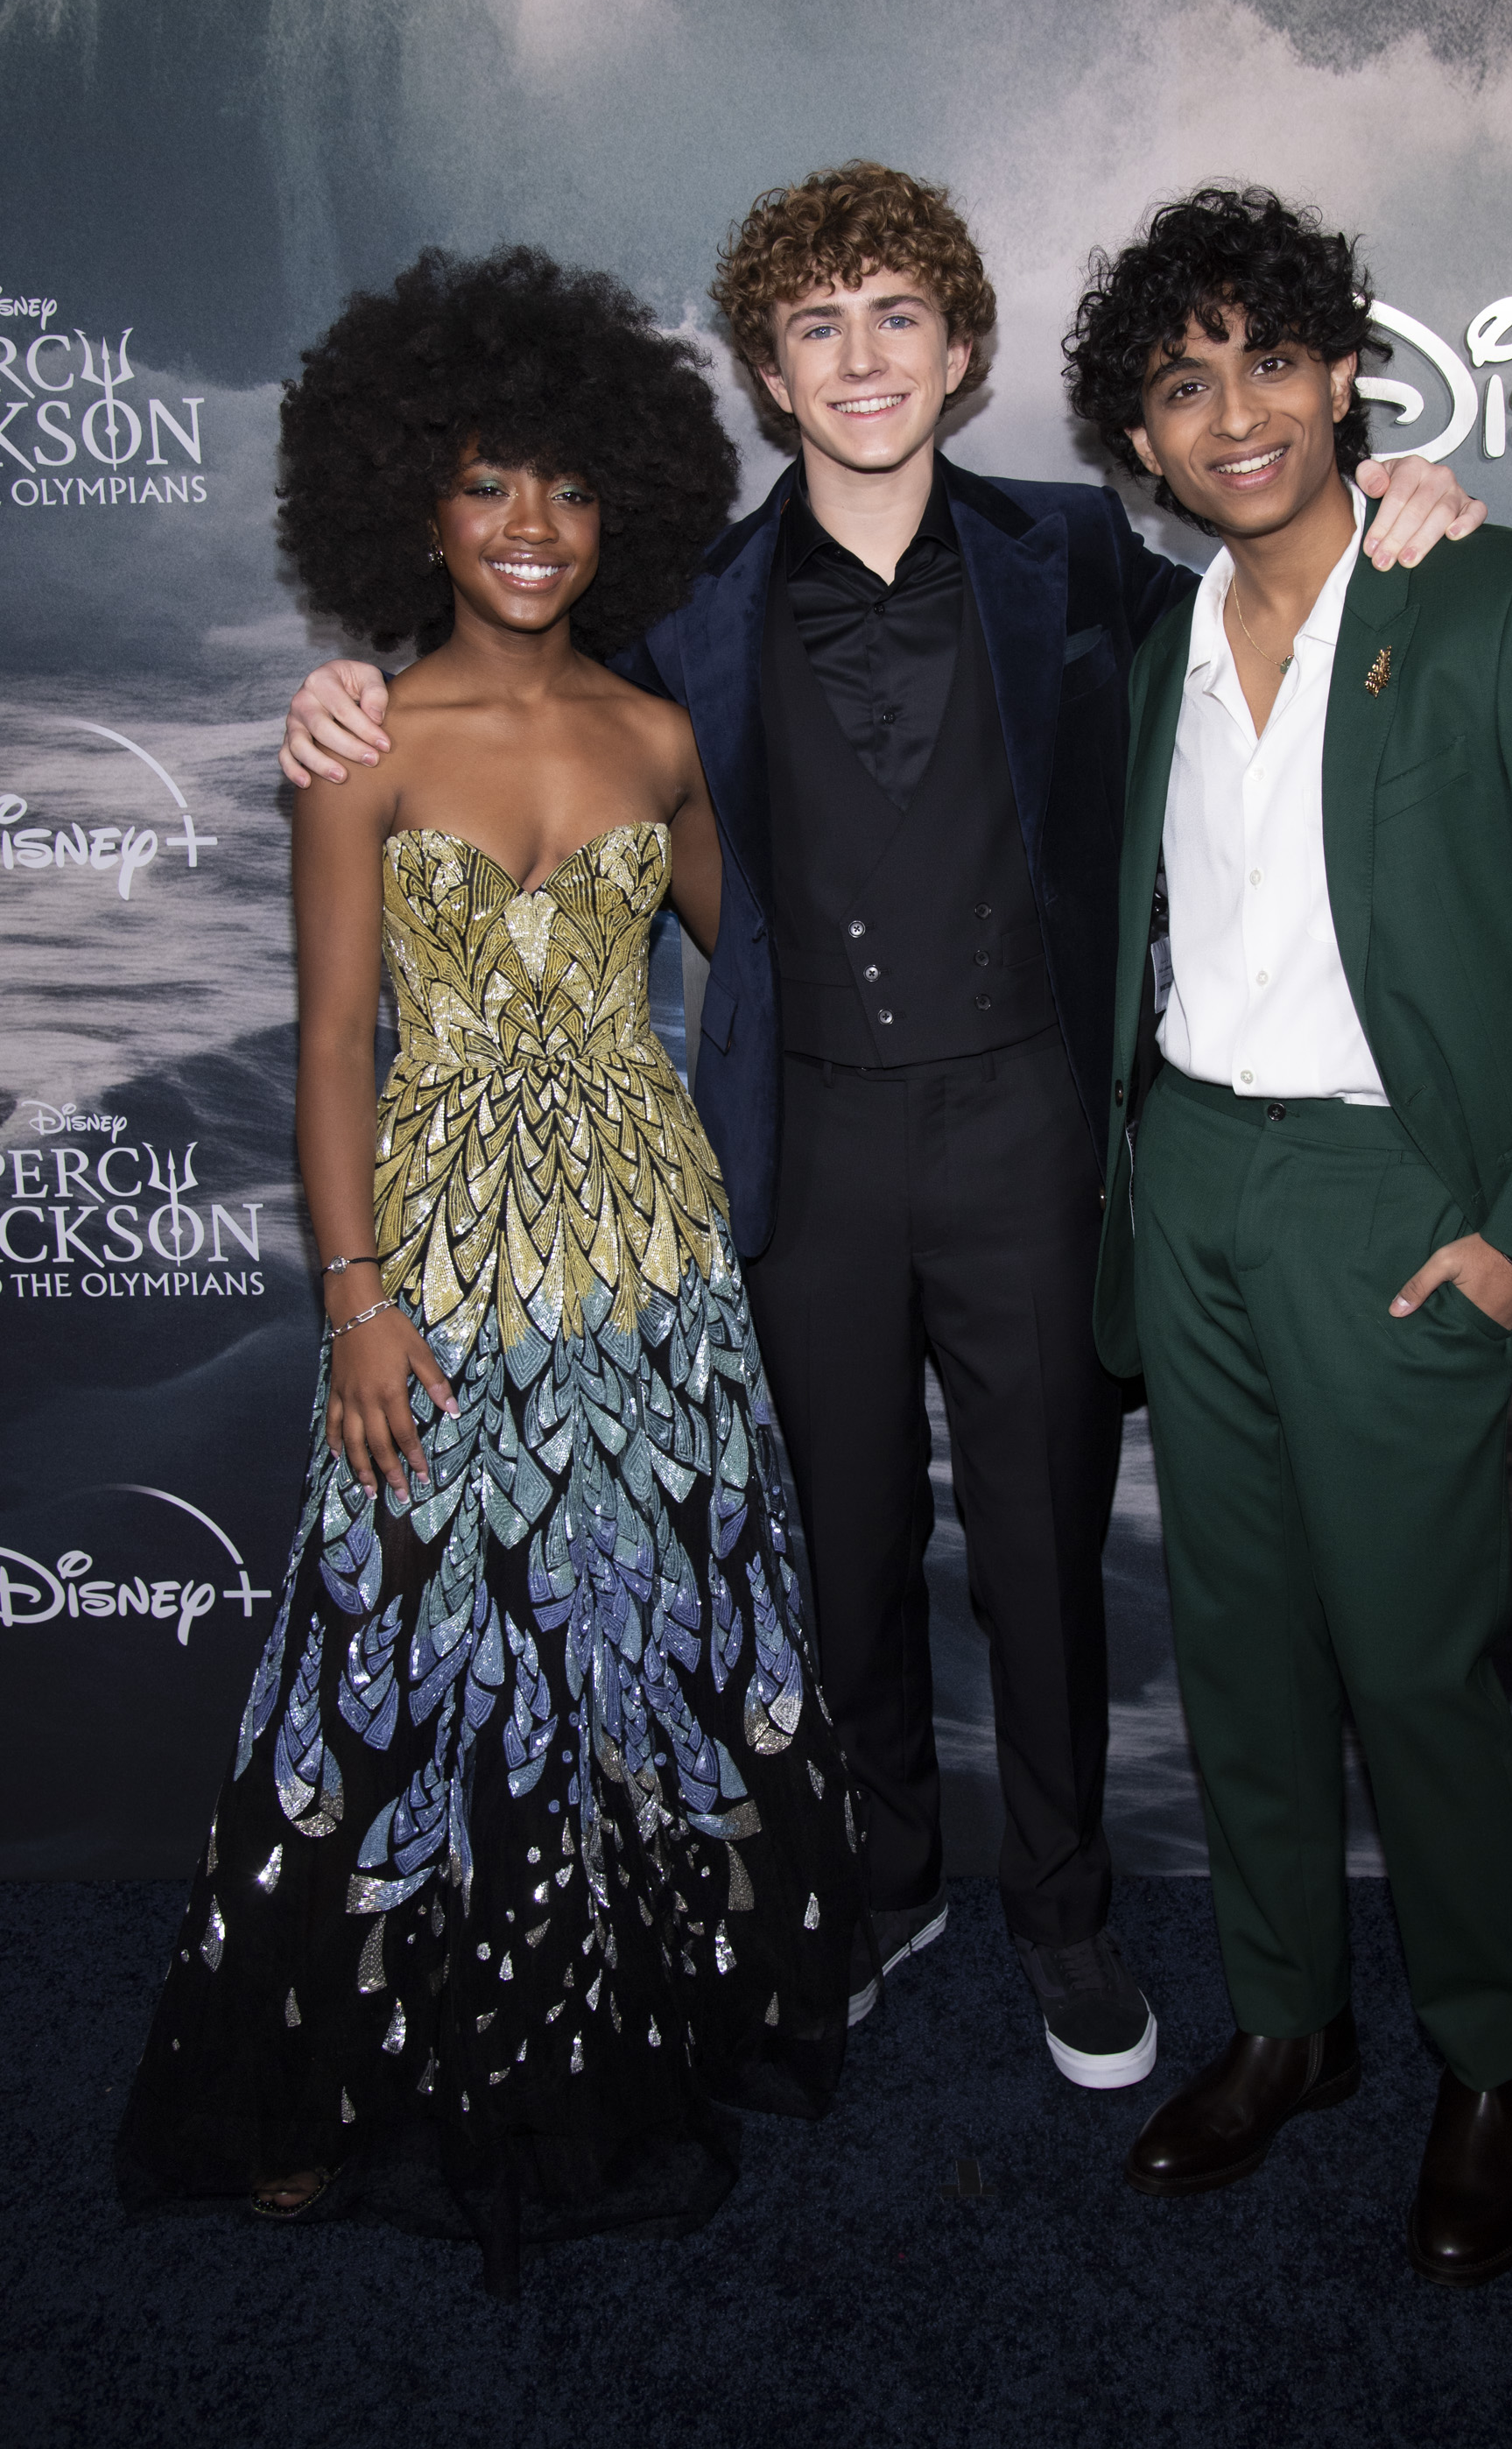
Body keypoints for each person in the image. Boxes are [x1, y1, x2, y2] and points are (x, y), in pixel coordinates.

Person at [278, 164, 1480, 2090]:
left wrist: (1405, 499)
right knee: (839, 1561)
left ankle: (1063, 1912)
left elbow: (1280, 603)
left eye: (897, 316)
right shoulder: (684, 607)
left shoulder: (1076, 552)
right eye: (817, 325)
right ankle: (886, 1873)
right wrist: (347, 683)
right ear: (768, 372)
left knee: (1041, 1558)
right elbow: (509, 689)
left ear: (961, 348)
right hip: (803, 1155)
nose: (861, 358)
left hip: (1029, 1137)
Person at [116, 249, 861, 2301]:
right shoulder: (360, 743)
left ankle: (642, 2027)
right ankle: (329, 2081)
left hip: (649, 1264)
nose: (532, 524)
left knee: (641, 1639)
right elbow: (328, 1051)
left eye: (570, 486)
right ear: (414, 508)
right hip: (440, 1267)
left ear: (624, 504)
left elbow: (769, 965)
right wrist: (354, 1299)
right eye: (484, 483)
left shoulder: (661, 735)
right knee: (402, 1656)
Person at [1066, 185, 1512, 2277]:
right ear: (1142, 441)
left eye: (1270, 359)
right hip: (1196, 1180)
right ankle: (1287, 2023)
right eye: (1184, 385)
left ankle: (1494, 2051)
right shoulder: (1154, 651)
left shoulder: (1510, 594)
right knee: (1237, 1649)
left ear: (1346, 373)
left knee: (1416, 1666)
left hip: (1395, 1202)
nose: (1235, 412)